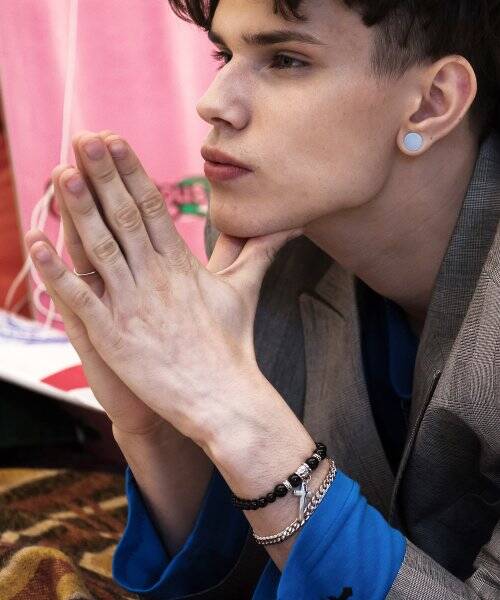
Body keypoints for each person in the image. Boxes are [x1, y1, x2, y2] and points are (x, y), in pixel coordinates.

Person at [25, 0, 499, 598]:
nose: (213, 102)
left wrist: (235, 414)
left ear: (433, 101)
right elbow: (262, 567)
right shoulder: (272, 251)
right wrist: (156, 429)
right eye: (225, 53)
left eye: (285, 59)